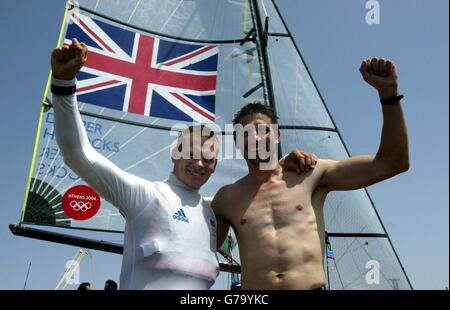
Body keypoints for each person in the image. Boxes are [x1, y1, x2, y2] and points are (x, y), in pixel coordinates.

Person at [50, 39, 316, 290]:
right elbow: (78, 153)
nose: (199, 163)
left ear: (215, 166)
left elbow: (259, 190)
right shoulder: (142, 195)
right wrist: (64, 84)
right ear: (174, 152)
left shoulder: (215, 211)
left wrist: (280, 165)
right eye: (191, 152)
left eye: (209, 158)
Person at [212, 57, 409, 289]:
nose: (254, 138)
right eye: (244, 133)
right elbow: (194, 246)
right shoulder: (226, 199)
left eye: (262, 130)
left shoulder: (311, 174)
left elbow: (393, 162)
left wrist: (389, 93)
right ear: (237, 143)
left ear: (276, 136)